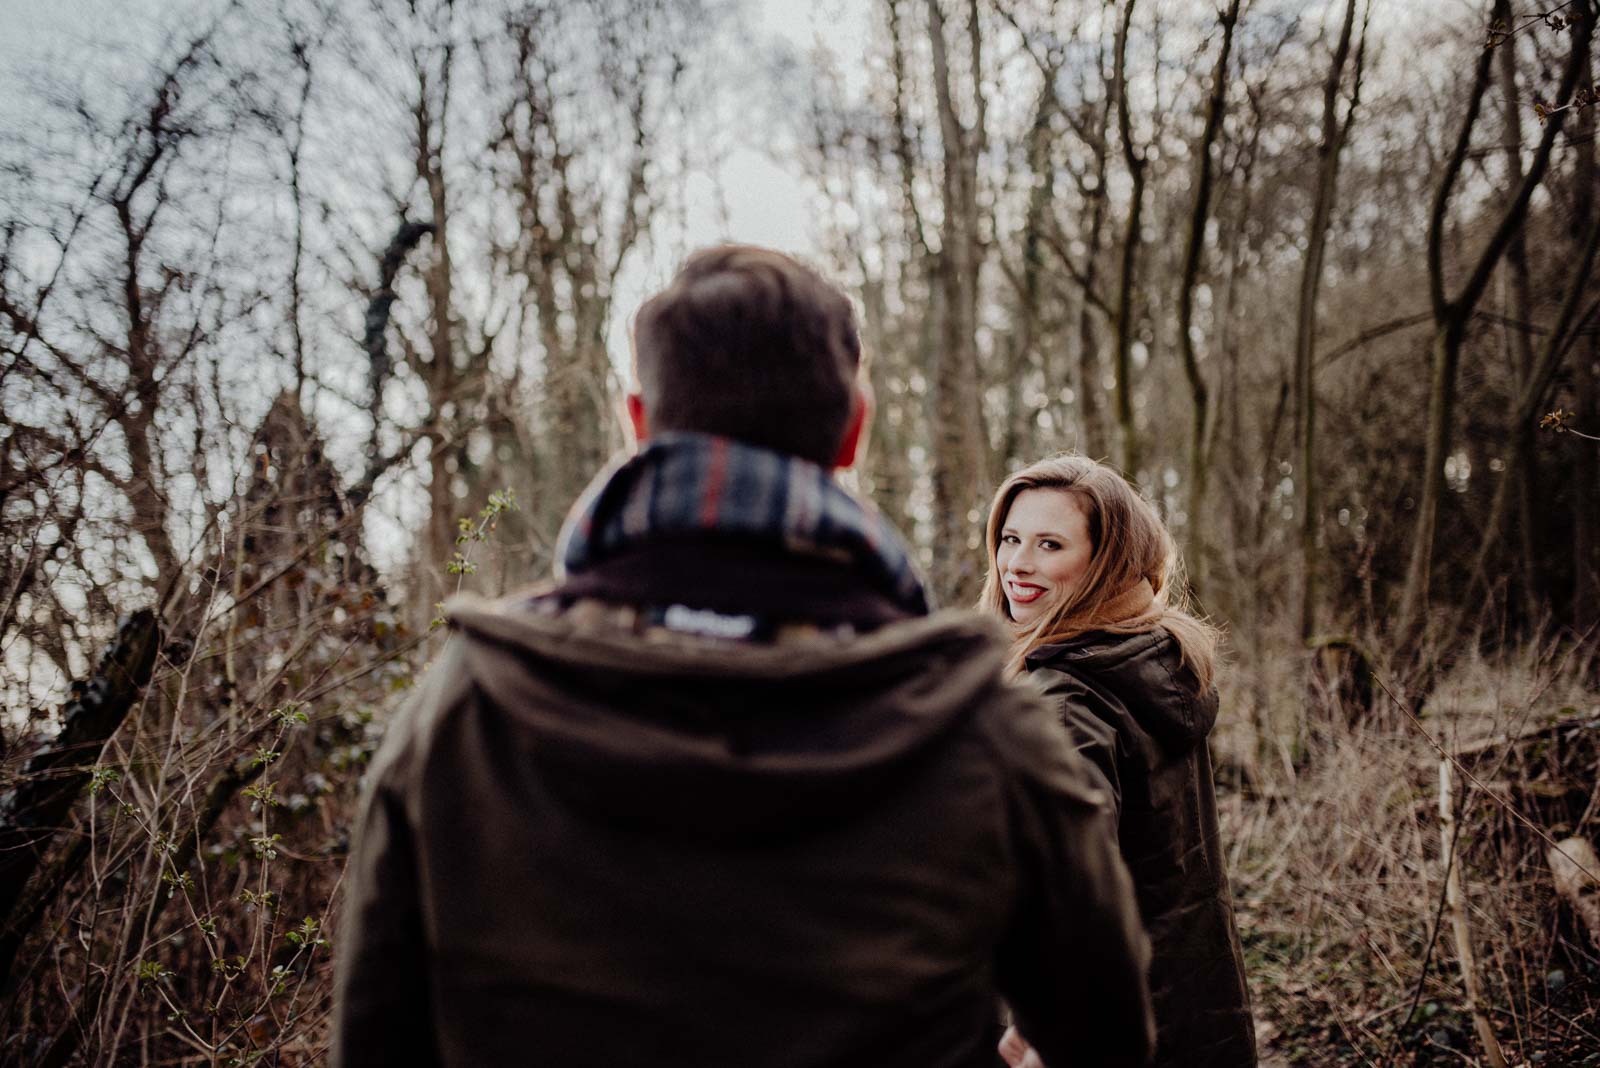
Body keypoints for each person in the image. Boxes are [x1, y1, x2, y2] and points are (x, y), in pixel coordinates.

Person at [332, 246, 1155, 1068]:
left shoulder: (465, 705)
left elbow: (376, 1036)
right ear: (854, 430)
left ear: (639, 421)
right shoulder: (988, 730)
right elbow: (1105, 1039)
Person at [980, 455, 1256, 1068]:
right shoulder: (1154, 661)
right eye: (1010, 538)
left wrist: (1037, 1027)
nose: (1017, 564)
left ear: (1105, 562)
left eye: (1050, 544)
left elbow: (1070, 887)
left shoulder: (1066, 699)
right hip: (1196, 1010)